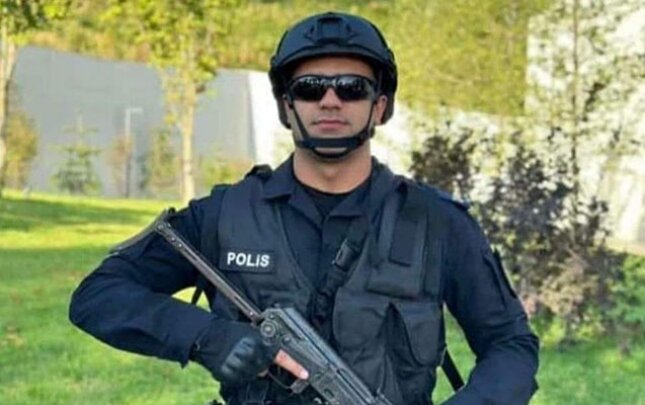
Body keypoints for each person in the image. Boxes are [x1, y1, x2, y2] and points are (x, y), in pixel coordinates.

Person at [69, 11, 539, 405]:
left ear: (380, 106)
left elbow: (510, 344)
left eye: (352, 88)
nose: (330, 101)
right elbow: (98, 296)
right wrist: (208, 337)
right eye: (311, 87)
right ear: (286, 105)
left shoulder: (437, 223)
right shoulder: (223, 215)